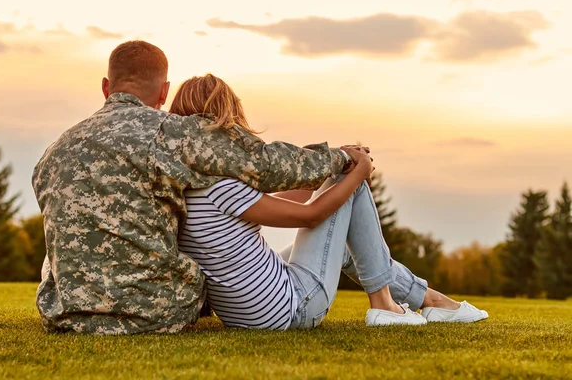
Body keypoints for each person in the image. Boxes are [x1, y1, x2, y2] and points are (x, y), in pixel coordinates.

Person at [32, 41, 355, 334]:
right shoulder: (169, 134)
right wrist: (340, 158)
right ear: (164, 93)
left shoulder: (53, 153)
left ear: (106, 87)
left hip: (65, 315)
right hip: (152, 312)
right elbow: (264, 163)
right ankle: (388, 299)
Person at [173, 74, 489, 329]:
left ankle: (431, 301)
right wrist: (357, 171)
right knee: (351, 188)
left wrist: (331, 167)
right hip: (290, 310)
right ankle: (385, 306)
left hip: (245, 314)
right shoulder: (222, 185)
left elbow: (275, 204)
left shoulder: (188, 186)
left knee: (345, 243)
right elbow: (311, 216)